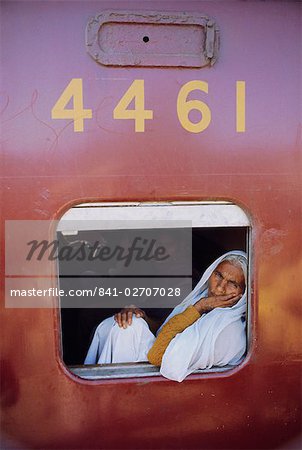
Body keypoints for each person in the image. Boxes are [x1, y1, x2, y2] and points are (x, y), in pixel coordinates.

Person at [84, 250, 247, 382]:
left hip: (166, 391)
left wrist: (199, 308)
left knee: (128, 330)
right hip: (155, 371)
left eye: (233, 284)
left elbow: (157, 354)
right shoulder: (201, 299)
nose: (219, 288)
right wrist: (141, 317)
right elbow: (166, 328)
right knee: (127, 324)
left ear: (243, 293)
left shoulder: (227, 330)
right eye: (218, 275)